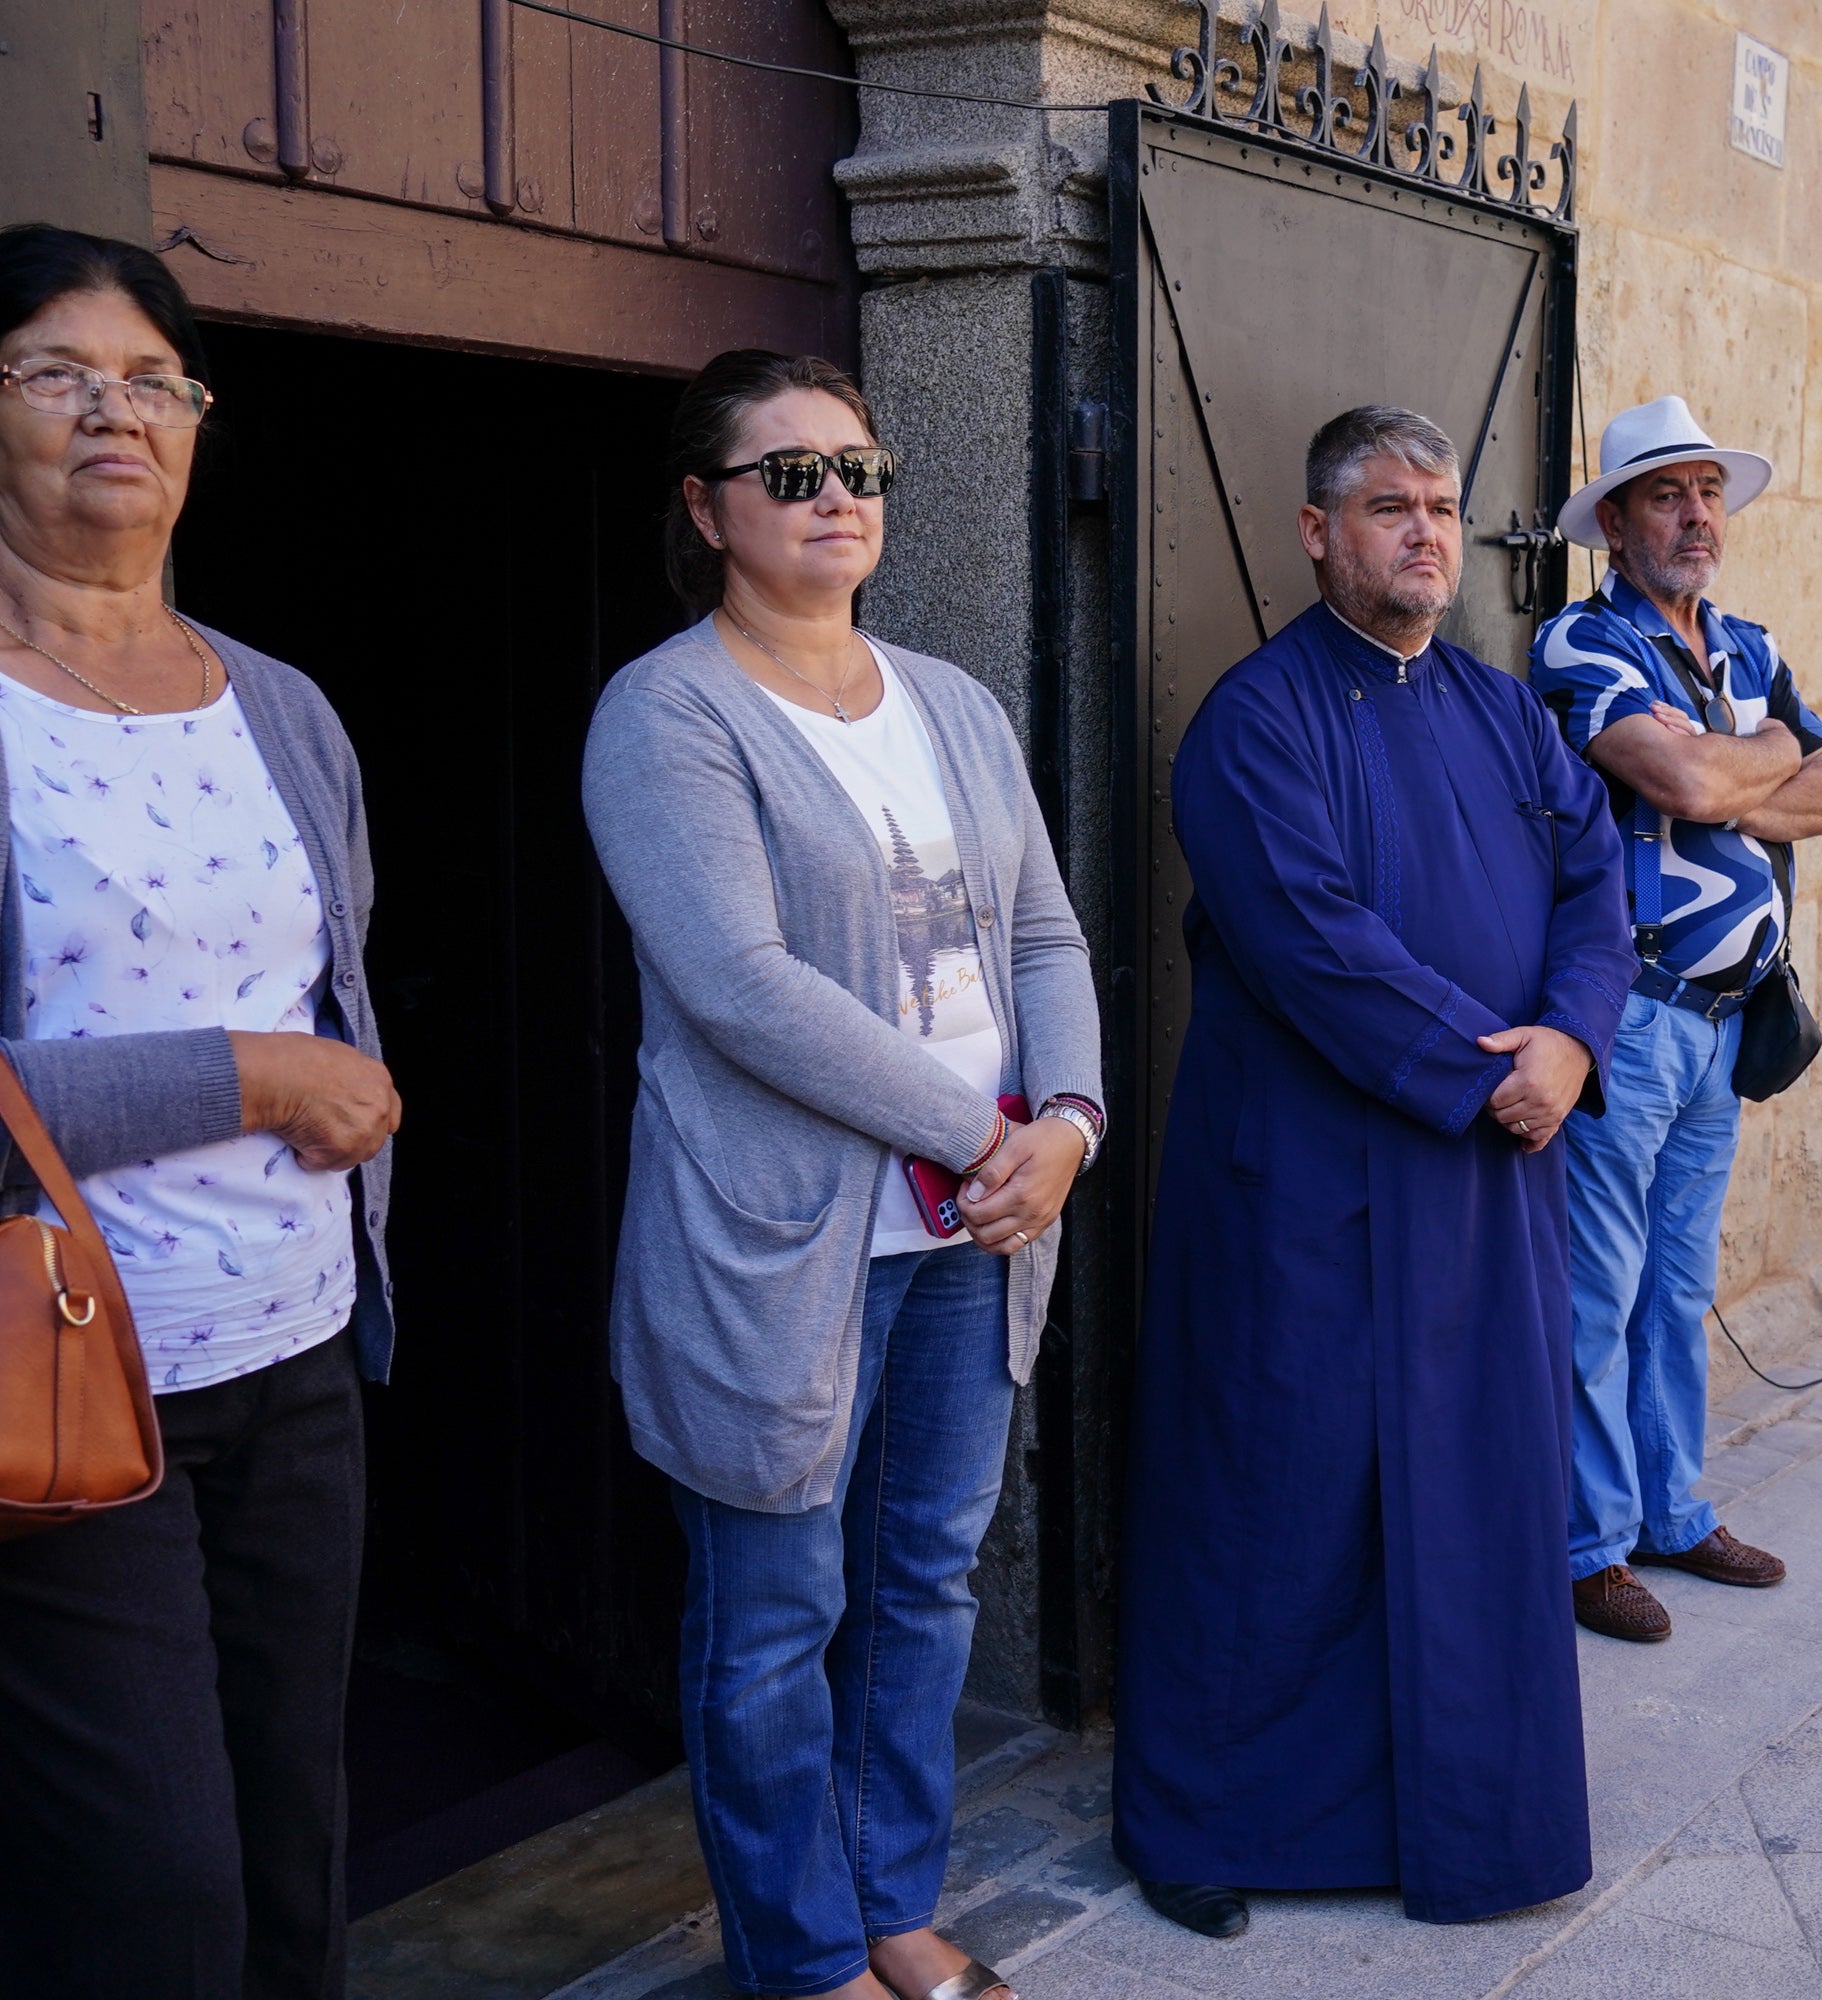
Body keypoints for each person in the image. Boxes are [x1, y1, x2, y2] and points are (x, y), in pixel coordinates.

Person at [581, 349, 1103, 2000]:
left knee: (926, 1586)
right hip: (786, 1247)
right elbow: (739, 983)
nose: (836, 499)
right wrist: (980, 1137)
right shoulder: (669, 711)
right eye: (790, 471)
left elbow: (1039, 931)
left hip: (976, 1233)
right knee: (772, 1622)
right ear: (705, 506)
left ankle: (892, 1904)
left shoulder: (953, 701)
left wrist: (1071, 1124)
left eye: (859, 468)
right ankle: (804, 1962)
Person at [1113, 407, 1635, 1936]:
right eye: (1390, 508)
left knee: (1473, 1497)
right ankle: (1212, 1821)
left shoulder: (1501, 709)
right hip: (1308, 1189)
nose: (1424, 534)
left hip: (1487, 1184)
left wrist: (1576, 1046)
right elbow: (1309, 939)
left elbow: (1596, 882)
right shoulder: (1255, 721)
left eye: (1442, 507)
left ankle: (1464, 1821)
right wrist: (1498, 1072)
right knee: (1277, 1496)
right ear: (1316, 533)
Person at [0, 224, 404, 1997]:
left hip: (297, 1355)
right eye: (56, 373)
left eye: (154, 381)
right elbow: (276, 1042)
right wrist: (251, 1075)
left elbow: (342, 990)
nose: (115, 411)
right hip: (71, 1388)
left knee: (297, 1839)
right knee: (154, 1892)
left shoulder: (286, 709)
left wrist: (347, 1083)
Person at [1527, 394, 1822, 1646]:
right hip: (1637, 1012)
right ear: (1615, 520)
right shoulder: (1581, 642)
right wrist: (1750, 756)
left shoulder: (1750, 647)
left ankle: (1674, 1506)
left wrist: (1738, 759)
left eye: (1709, 490)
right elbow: (1685, 780)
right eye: (1668, 493)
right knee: (1597, 1290)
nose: (1698, 514)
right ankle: (1585, 1544)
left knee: (1678, 1282)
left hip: (1729, 1018)